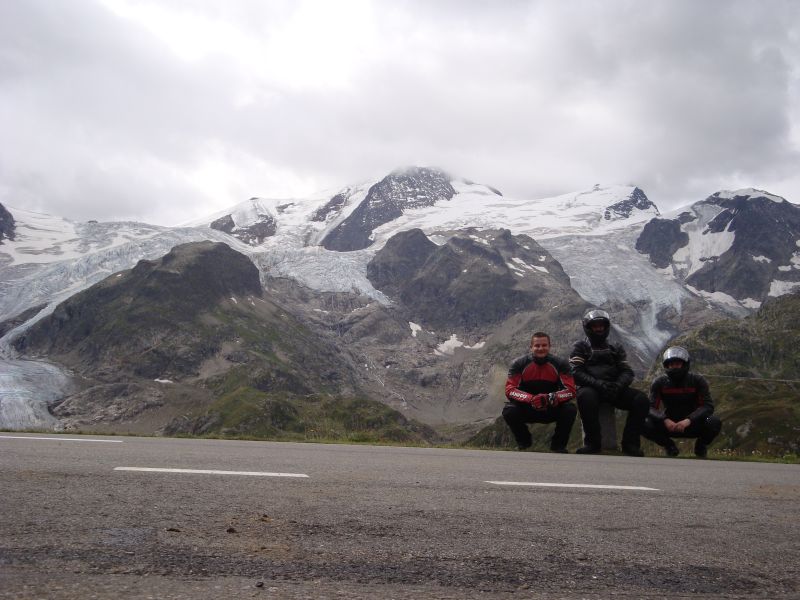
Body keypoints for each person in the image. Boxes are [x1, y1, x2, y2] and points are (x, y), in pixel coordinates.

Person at [569, 309, 649, 456]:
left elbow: (627, 371)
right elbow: (576, 372)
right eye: (595, 326)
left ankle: (630, 444)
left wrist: (618, 385)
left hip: (613, 389)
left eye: (602, 325)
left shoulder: (615, 347)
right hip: (591, 389)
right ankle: (592, 444)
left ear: (606, 327)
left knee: (641, 399)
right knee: (586, 397)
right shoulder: (580, 347)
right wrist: (598, 384)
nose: (599, 329)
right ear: (588, 328)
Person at [502, 331, 577, 453]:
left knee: (570, 409)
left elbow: (571, 390)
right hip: (527, 407)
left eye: (544, 345)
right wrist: (531, 399)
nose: (541, 348)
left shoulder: (560, 364)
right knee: (509, 410)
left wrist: (550, 398)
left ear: (549, 346)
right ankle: (524, 443)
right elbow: (510, 390)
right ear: (531, 347)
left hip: (551, 407)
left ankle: (558, 446)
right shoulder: (519, 364)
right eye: (537, 345)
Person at [643, 346, 722, 458]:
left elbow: (707, 406)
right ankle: (669, 446)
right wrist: (664, 419)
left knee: (714, 422)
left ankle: (700, 447)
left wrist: (689, 420)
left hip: (693, 424)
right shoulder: (659, 382)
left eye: (677, 364)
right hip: (669, 424)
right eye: (671, 364)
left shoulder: (697, 381)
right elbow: (650, 408)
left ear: (685, 364)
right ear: (666, 365)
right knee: (642, 422)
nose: (674, 367)